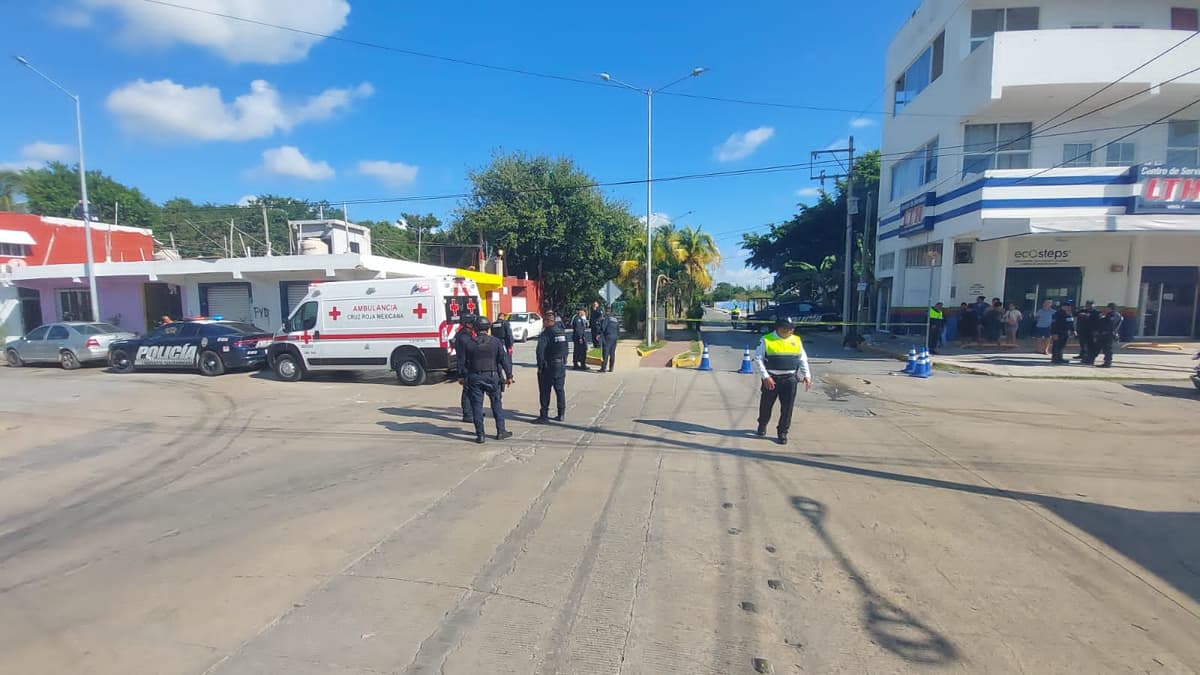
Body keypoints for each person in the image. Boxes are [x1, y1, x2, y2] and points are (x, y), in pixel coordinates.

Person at [753, 317, 812, 445]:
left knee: (787, 408)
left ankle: (782, 432)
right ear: (778, 328)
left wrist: (807, 375)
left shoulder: (796, 340)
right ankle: (762, 424)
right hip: (771, 378)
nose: (790, 331)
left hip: (790, 379)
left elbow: (802, 359)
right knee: (766, 405)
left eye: (791, 328)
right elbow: (758, 359)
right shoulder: (766, 339)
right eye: (787, 328)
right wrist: (765, 377)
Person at [462, 316, 514, 443]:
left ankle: (480, 435)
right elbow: (504, 359)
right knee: (496, 404)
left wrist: (463, 376)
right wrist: (509, 376)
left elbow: (463, 363)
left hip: (475, 377)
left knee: (477, 406)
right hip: (492, 377)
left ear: (475, 328)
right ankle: (501, 431)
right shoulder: (495, 342)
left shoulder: (469, 343)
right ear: (488, 328)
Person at [533, 311, 569, 423]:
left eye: (544, 321)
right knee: (559, 390)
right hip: (561, 365)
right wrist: (564, 361)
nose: (543, 324)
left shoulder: (546, 333)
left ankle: (544, 415)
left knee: (545, 391)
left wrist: (540, 366)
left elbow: (540, 351)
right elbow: (566, 349)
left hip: (549, 366)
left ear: (548, 321)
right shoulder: (561, 332)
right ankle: (561, 414)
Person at [453, 316, 477, 422]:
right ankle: (467, 414)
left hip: (470, 366)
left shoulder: (467, 334)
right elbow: (463, 356)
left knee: (473, 390)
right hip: (465, 367)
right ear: (468, 324)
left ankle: (473, 410)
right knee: (467, 391)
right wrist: (461, 373)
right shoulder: (463, 337)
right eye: (473, 323)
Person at [1090, 303, 1123, 368]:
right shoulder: (1117, 315)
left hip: (1107, 334)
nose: (1106, 309)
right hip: (1108, 334)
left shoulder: (1112, 315)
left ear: (1110, 308)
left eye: (1107, 307)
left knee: (1107, 349)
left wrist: (1101, 319)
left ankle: (1107, 362)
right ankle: (1092, 359)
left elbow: (1108, 324)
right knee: (1099, 347)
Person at [599, 306, 620, 372]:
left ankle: (603, 368)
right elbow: (618, 329)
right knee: (612, 353)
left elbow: (603, 327)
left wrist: (600, 334)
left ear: (606, 311)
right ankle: (611, 368)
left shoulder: (607, 318)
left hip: (608, 337)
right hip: (615, 338)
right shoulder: (615, 319)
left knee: (605, 352)